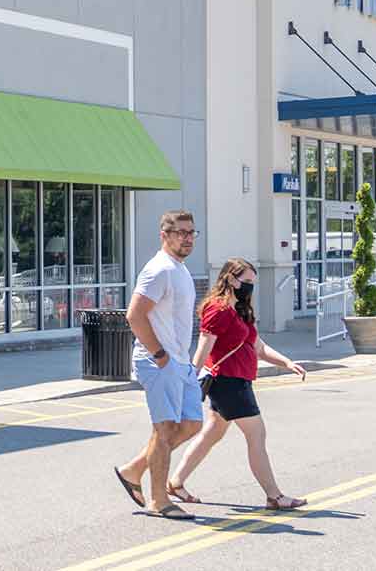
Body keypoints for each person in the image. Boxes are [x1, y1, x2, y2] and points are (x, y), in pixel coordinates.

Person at [168, 257, 308, 512]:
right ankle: (274, 496)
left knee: (213, 433)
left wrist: (286, 362)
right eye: (247, 282)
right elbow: (203, 348)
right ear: (230, 279)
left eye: (253, 282)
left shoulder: (240, 310)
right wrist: (188, 381)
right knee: (257, 435)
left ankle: (176, 482)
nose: (250, 287)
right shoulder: (218, 310)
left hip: (238, 379)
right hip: (228, 382)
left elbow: (258, 347)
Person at [111, 210, 203, 519]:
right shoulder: (159, 270)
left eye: (191, 232)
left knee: (192, 424)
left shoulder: (180, 269)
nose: (187, 238)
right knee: (163, 431)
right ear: (164, 236)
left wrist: (180, 359)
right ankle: (158, 500)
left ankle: (133, 470)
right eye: (181, 233)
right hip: (159, 361)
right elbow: (135, 316)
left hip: (179, 361)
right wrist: (160, 355)